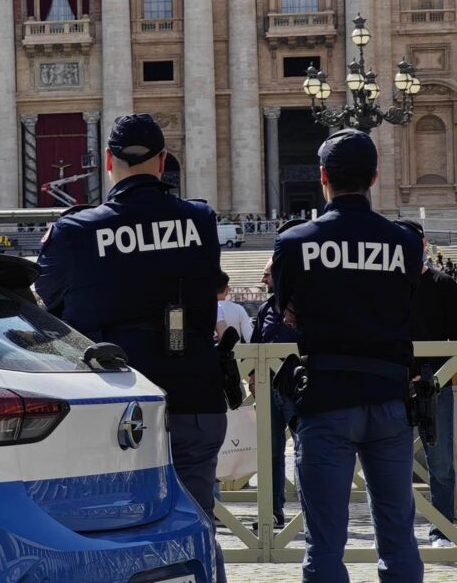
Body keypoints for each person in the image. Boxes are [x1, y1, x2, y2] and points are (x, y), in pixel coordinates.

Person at [36, 113, 227, 583]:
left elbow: (49, 301)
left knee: (115, 536)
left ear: (108, 162)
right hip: (196, 396)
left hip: (113, 412)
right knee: (199, 525)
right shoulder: (200, 221)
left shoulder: (74, 232)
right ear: (163, 162)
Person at [271, 129, 423, 583]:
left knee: (325, 544)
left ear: (323, 177)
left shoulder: (295, 241)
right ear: (375, 177)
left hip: (326, 395)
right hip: (390, 396)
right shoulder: (405, 243)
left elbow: (286, 313)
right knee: (398, 537)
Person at [402, 220, 457, 548]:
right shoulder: (388, 286)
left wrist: (444, 376)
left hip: (437, 384)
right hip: (396, 383)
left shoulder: (445, 284)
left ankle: (442, 527)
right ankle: (397, 529)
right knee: (389, 460)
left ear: (423, 246)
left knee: (440, 460)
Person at [250, 257, 299, 531]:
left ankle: (311, 511)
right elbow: (255, 346)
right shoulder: (264, 309)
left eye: (267, 274)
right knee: (269, 454)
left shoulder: (304, 306)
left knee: (306, 450)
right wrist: (253, 380)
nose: (263, 280)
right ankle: (272, 512)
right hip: (269, 390)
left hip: (298, 388)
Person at [217, 270, 253, 342]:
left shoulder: (203, 309)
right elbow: (249, 337)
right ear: (227, 289)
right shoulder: (239, 309)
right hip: (235, 352)